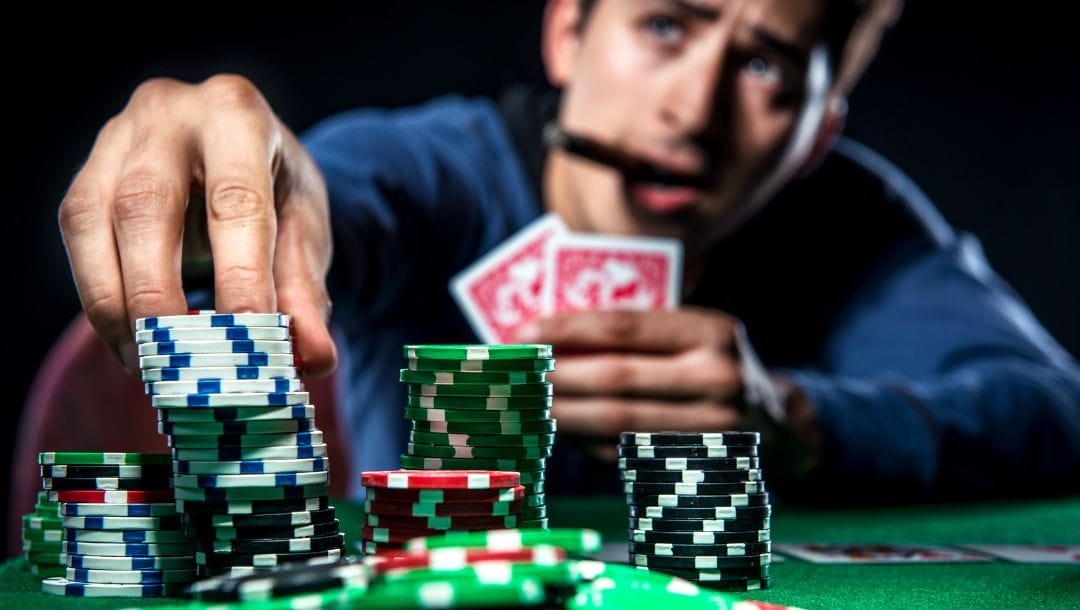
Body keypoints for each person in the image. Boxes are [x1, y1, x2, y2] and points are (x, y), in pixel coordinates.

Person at [57, 0, 1080, 501]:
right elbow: (329, 190)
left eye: (766, 62)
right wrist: (243, 178)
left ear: (817, 132)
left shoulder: (855, 221)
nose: (692, 110)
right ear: (568, 36)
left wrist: (802, 422)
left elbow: (1055, 408)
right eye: (666, 27)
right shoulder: (431, 172)